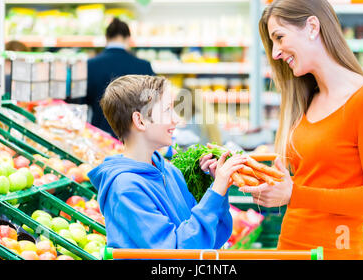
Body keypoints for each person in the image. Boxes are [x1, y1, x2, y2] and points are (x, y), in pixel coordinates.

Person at [237, 0, 363, 260]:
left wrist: (294, 194)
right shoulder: (306, 98)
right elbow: (309, 175)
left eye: (279, 37)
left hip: (336, 251)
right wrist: (240, 167)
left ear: (312, 26)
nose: (276, 53)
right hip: (290, 247)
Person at [87, 75, 247, 249]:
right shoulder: (126, 187)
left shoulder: (170, 172)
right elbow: (173, 253)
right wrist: (216, 191)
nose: (176, 119)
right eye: (167, 110)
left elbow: (211, 240)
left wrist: (218, 189)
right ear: (140, 121)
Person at [85, 18, 155, 137]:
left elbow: (81, 102)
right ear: (128, 39)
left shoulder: (90, 65)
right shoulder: (144, 66)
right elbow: (153, 103)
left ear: (106, 38)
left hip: (101, 136)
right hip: (136, 136)